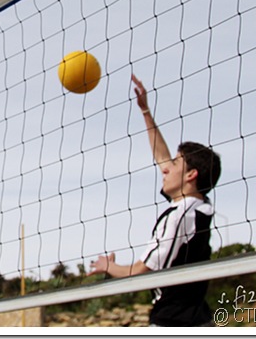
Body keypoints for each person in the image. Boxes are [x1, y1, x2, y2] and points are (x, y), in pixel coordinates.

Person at [88, 74, 221, 327]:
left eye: (176, 164)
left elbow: (141, 272)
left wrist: (108, 266)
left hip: (176, 322)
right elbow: (162, 158)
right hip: (195, 318)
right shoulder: (198, 208)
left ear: (191, 175)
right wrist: (145, 112)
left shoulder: (180, 215)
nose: (166, 168)